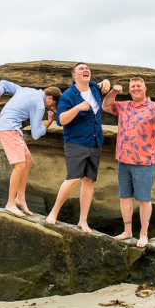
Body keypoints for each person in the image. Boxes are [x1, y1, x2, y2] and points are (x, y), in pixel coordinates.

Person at [102, 77, 155, 247]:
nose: (136, 89)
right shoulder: (124, 106)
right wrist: (114, 92)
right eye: (133, 86)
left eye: (139, 86)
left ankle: (143, 234)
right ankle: (127, 231)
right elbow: (106, 106)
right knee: (125, 197)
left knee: (144, 199)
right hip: (124, 160)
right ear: (129, 90)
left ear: (145, 88)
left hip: (145, 162)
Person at [45, 63, 110, 233]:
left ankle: (83, 221)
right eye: (81, 69)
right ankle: (53, 212)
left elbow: (104, 84)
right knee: (73, 178)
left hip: (95, 142)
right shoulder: (67, 96)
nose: (85, 70)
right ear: (74, 75)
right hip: (76, 142)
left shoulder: (94, 88)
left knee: (88, 180)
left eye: (87, 68)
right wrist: (78, 107)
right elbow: (61, 120)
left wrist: (107, 83)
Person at [0, 80, 61, 217]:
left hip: (9, 127)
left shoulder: (26, 89)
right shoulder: (40, 105)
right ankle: (10, 203)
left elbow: (3, 83)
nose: (49, 108)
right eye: (51, 105)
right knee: (20, 164)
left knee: (28, 160)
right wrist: (48, 123)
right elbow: (35, 134)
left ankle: (20, 199)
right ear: (50, 98)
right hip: (8, 128)